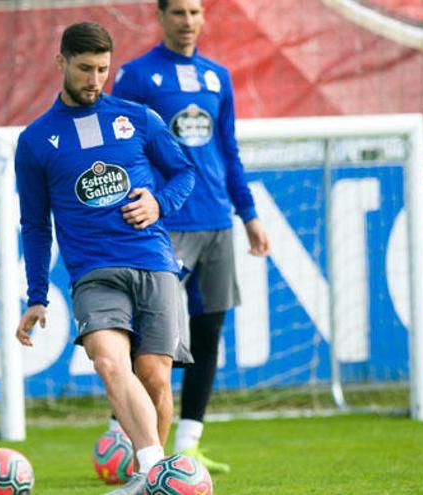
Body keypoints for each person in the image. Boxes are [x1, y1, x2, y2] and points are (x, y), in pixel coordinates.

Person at [14, 22, 197, 495]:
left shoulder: (138, 118)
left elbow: (183, 173)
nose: (95, 79)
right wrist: (36, 295)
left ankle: (146, 474)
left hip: (153, 261)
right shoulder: (35, 141)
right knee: (110, 362)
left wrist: (159, 202)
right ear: (61, 64)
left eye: (102, 69)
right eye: (85, 68)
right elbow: (36, 225)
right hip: (94, 273)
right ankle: (154, 472)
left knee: (155, 375)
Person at [112, 0, 271, 474]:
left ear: (204, 17)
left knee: (209, 331)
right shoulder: (137, 76)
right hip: (165, 225)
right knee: (149, 339)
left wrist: (249, 214)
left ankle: (190, 443)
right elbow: (121, 146)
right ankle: (130, 439)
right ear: (159, 17)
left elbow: (229, 149)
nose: (187, 21)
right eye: (178, 12)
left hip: (218, 221)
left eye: (195, 12)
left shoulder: (217, 76)